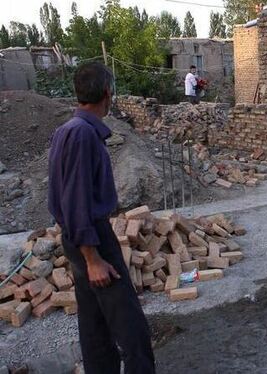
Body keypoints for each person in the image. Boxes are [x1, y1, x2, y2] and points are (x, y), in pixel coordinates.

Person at [48, 62, 156, 374]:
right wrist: (93, 258)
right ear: (107, 93)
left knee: (94, 326)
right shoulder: (82, 135)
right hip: (92, 240)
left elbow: (64, 198)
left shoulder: (67, 130)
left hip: (78, 239)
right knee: (132, 330)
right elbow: (76, 198)